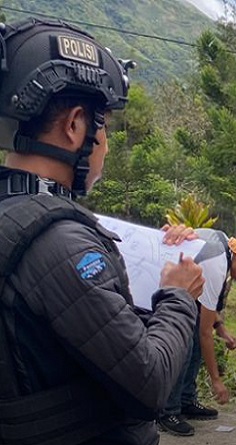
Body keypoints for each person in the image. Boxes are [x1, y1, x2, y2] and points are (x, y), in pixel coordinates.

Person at [0, 18, 205, 445]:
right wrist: (179, 296)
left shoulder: (19, 216)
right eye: (104, 125)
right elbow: (148, 383)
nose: (106, 143)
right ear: (76, 126)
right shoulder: (58, 244)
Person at [158, 229, 236, 436]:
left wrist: (222, 329)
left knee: (194, 335)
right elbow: (204, 333)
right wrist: (216, 381)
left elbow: (206, 309)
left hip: (180, 289)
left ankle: (185, 400)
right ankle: (167, 412)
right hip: (160, 285)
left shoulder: (225, 243)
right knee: (186, 343)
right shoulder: (217, 265)